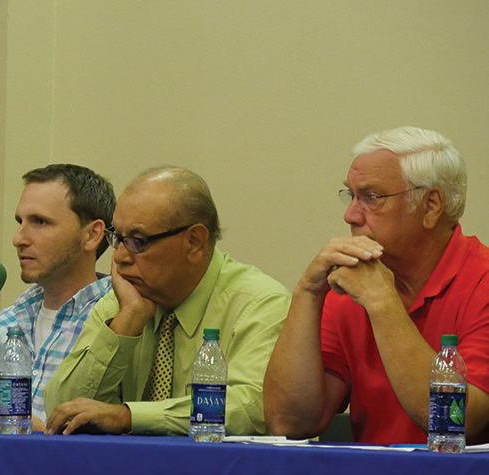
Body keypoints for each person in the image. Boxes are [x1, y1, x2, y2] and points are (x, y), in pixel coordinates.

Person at [264, 126, 489, 444]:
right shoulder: (351, 288)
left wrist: (383, 302)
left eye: (371, 198)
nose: (350, 215)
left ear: (431, 205)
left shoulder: (482, 282)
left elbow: (457, 419)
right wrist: (308, 292)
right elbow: (289, 422)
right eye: (351, 195)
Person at [44, 166, 290, 436]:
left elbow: (251, 408)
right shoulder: (124, 302)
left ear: (194, 242)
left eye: (138, 241)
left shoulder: (261, 304)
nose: (119, 258)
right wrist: (126, 324)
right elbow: (62, 412)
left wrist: (129, 416)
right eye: (118, 239)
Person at [0, 164, 116, 429]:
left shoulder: (118, 320)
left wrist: (27, 426)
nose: (18, 239)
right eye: (20, 222)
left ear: (92, 234)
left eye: (40, 222)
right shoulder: (8, 322)